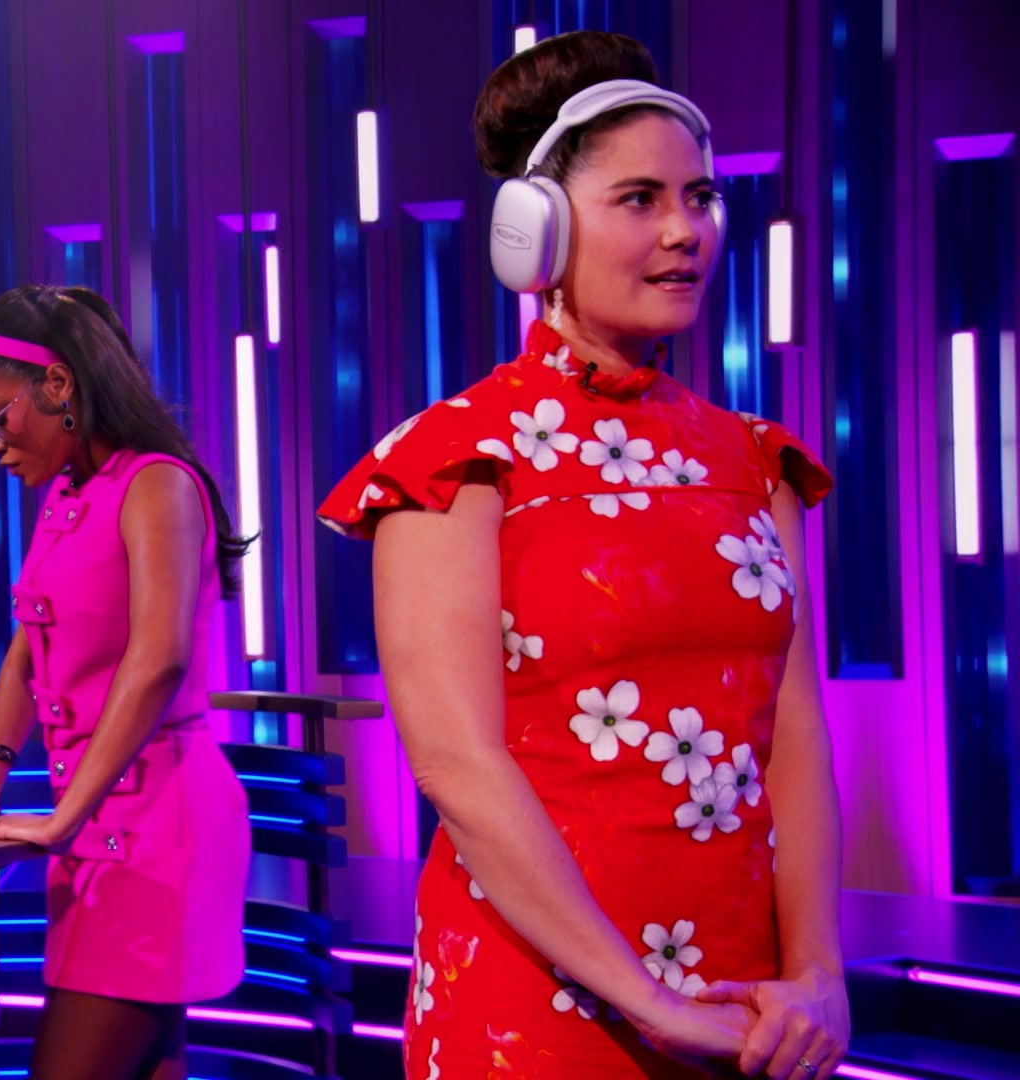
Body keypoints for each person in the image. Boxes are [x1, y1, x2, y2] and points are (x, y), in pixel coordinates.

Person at [316, 31, 850, 1079]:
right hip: (535, 1000)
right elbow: (459, 767)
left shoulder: (755, 460)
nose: (685, 230)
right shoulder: (455, 458)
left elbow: (794, 735)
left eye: (700, 197)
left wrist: (821, 971)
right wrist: (650, 1003)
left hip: (750, 1001)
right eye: (640, 199)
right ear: (538, 233)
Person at [0, 285, 253, 1079]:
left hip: (159, 833)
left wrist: (63, 817)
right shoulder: (68, 494)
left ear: (58, 384)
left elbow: (159, 658)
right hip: (98, 833)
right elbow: (26, 654)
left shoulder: (158, 483)